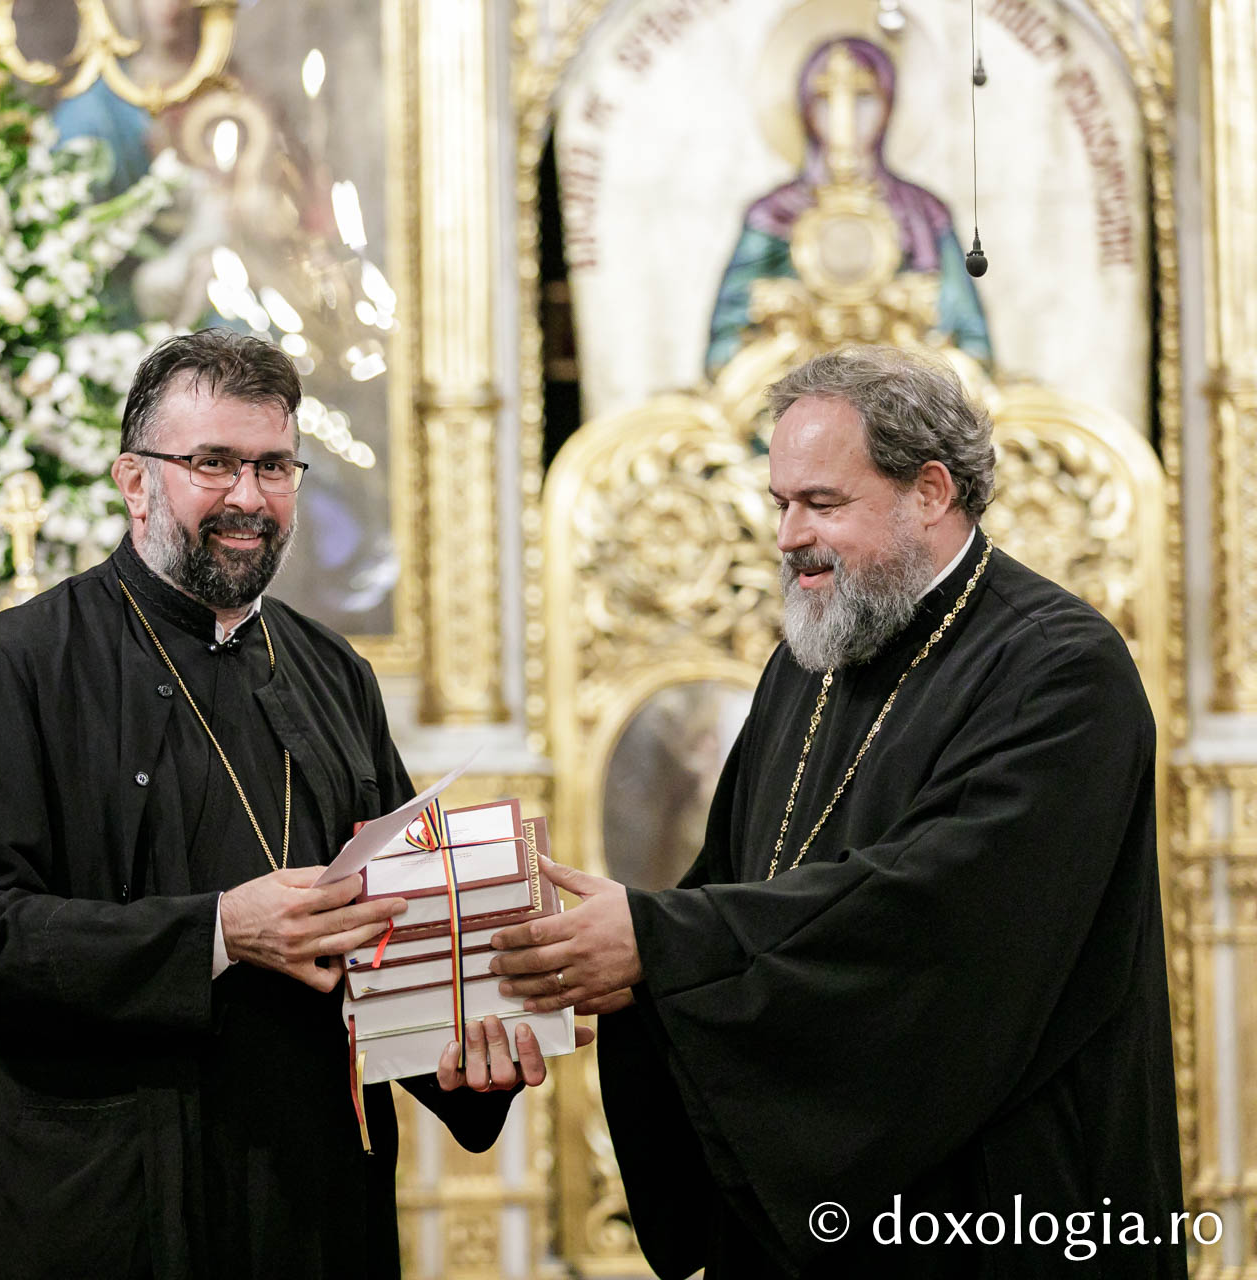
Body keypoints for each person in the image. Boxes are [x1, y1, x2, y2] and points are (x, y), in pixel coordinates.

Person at [490, 345, 1182, 1277]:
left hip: (990, 1207)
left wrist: (664, 943)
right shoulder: (813, 656)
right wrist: (628, 972)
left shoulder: (1059, 670)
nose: (786, 536)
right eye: (781, 502)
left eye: (821, 504)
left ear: (930, 492)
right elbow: (730, 879)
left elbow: (938, 923)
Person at [0, 329, 572, 1279]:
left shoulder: (332, 672)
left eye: (274, 466)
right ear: (134, 482)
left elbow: (388, 931)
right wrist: (220, 933)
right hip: (105, 1202)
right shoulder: (18, 668)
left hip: (306, 1205)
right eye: (212, 463)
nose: (249, 498)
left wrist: (474, 1039)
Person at [706, 38, 992, 377]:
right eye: (826, 100)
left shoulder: (924, 213)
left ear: (889, 107)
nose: (847, 117)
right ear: (805, 110)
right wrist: (782, 313)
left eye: (864, 99)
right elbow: (724, 347)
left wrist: (912, 315)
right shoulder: (774, 213)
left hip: (902, 400)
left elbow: (971, 341)